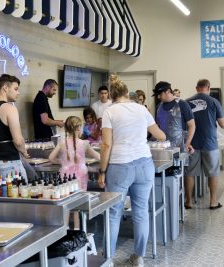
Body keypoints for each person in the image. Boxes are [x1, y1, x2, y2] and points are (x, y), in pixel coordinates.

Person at [98, 75, 166, 266]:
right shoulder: (142, 109)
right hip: (144, 164)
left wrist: (102, 171)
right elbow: (160, 135)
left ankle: (108, 259)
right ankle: (139, 257)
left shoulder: (110, 112)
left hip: (120, 166)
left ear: (111, 95)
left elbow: (106, 145)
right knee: (141, 211)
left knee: (113, 213)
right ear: (128, 93)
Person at [185, 79, 224, 209]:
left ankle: (188, 201)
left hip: (191, 143)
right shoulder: (214, 101)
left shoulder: (186, 102)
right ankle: (213, 202)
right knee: (213, 173)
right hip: (210, 143)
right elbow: (222, 123)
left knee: (190, 173)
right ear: (208, 88)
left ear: (196, 88)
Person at [49, 116, 100, 229]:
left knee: (66, 204)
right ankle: (77, 230)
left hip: (65, 176)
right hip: (80, 177)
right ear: (78, 128)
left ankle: (65, 229)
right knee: (77, 205)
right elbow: (98, 157)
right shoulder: (84, 143)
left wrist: (62, 162)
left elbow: (51, 157)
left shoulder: (62, 143)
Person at [0, 74, 29, 180]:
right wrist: (24, 151)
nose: (18, 93)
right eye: (16, 89)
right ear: (5, 88)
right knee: (19, 195)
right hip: (8, 163)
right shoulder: (9, 108)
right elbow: (18, 141)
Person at [153, 81, 195, 153]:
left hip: (180, 148)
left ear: (168, 91)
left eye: (160, 94)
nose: (158, 97)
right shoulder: (159, 107)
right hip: (163, 149)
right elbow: (158, 125)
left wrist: (188, 143)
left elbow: (192, 125)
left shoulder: (182, 104)